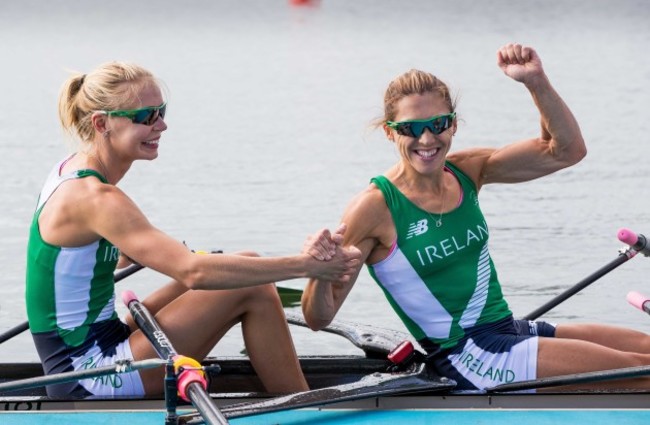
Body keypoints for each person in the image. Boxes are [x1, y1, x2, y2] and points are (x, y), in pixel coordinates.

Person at [301, 43, 650, 391]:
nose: (426, 138)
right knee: (639, 372)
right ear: (390, 131)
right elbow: (319, 317)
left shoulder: (467, 170)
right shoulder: (374, 208)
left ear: (453, 125)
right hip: (469, 356)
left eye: (438, 123)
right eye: (410, 128)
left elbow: (566, 151)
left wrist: (535, 81)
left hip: (507, 330)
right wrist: (320, 269)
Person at [25, 61, 361, 398]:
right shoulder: (94, 197)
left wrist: (120, 249)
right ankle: (302, 407)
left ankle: (288, 394)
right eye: (146, 117)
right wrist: (308, 266)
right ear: (102, 123)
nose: (162, 125)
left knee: (245, 261)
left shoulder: (70, 169)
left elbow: (80, 251)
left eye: (161, 111)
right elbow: (193, 273)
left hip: (97, 339)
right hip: (87, 374)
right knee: (253, 288)